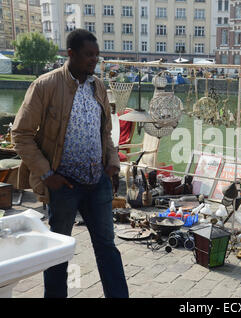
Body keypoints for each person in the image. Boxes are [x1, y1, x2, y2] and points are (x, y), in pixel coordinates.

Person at [11, 29, 129, 298]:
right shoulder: (45, 86)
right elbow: (20, 134)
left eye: (97, 56)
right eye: (88, 55)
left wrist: (112, 163)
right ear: (71, 54)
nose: (94, 61)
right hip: (63, 184)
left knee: (107, 247)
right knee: (58, 252)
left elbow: (106, 134)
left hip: (96, 181)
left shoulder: (97, 86)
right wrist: (47, 174)